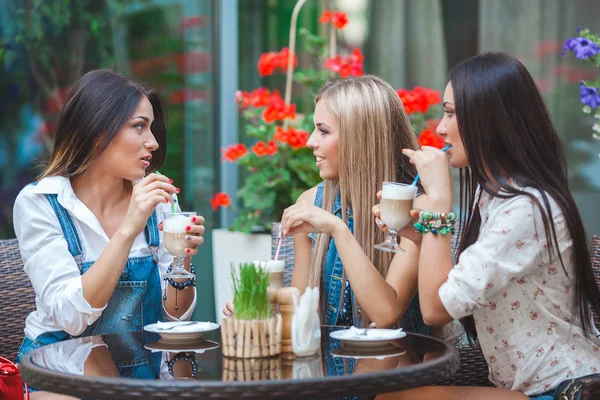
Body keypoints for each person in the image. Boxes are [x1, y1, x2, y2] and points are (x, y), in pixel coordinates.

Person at [375, 52, 600, 400]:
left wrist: (438, 201)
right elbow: (463, 278)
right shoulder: (493, 192)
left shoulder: (528, 209)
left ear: (489, 119)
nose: (439, 128)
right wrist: (417, 232)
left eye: (450, 113)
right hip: (520, 387)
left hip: (563, 389)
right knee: (393, 386)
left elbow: (435, 308)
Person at [13, 70, 205, 389]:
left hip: (144, 370)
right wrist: (129, 228)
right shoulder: (41, 203)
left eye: (152, 128)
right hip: (62, 368)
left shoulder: (159, 201)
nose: (153, 142)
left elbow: (175, 316)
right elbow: (70, 318)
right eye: (139, 126)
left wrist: (182, 260)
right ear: (99, 131)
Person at [274, 75, 429, 333]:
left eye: (323, 131)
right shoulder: (310, 202)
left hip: (396, 368)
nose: (310, 141)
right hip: (327, 369)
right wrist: (262, 305)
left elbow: (386, 313)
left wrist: (338, 229)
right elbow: (302, 311)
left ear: (360, 139)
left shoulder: (416, 211)